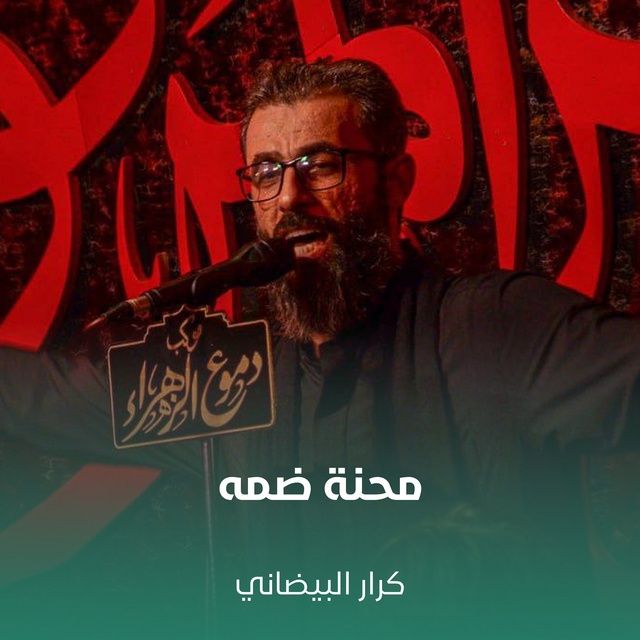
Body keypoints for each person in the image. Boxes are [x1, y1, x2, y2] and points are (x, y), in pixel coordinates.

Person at [2, 58, 640, 636]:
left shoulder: (496, 326)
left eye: (320, 165)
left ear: (397, 181)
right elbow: (38, 399)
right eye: (266, 172)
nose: (289, 198)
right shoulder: (231, 379)